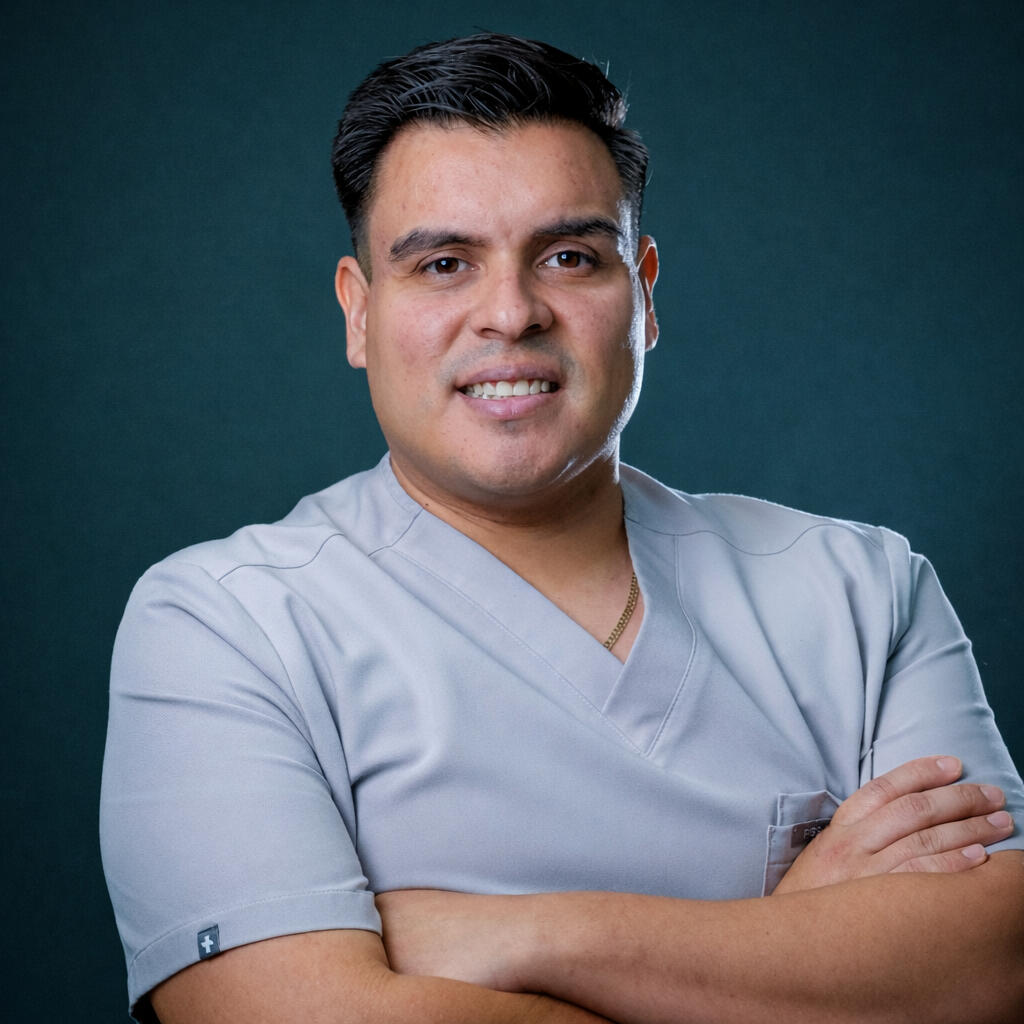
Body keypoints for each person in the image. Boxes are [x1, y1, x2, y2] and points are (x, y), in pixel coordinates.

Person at [100, 32, 1024, 1024]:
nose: (510, 314)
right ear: (359, 313)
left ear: (644, 295)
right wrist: (802, 938)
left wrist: (521, 936)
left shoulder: (863, 592)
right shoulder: (225, 625)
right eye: (444, 263)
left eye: (570, 258)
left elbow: (996, 962)